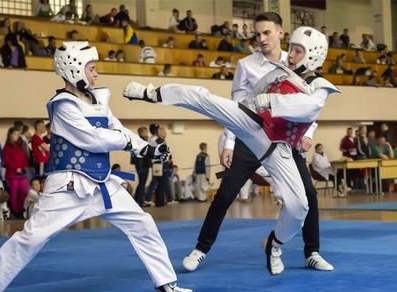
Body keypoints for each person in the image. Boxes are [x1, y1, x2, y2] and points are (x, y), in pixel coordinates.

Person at [124, 23, 339, 276]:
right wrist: (242, 115)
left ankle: (276, 244)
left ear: (314, 55)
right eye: (290, 49)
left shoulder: (320, 86)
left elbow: (309, 108)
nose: (290, 55)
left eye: (298, 51)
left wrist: (270, 101)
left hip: (280, 148)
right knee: (204, 99)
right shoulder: (277, 71)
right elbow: (253, 94)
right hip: (252, 127)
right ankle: (151, 93)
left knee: (300, 205)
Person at [0, 41, 191, 292]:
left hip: (103, 185)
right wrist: (131, 144)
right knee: (32, 237)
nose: (96, 73)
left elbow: (118, 129)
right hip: (69, 188)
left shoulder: (98, 100)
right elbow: (93, 138)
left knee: (143, 224)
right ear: (74, 69)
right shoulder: (63, 105)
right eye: (91, 68)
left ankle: (166, 284)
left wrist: (147, 147)